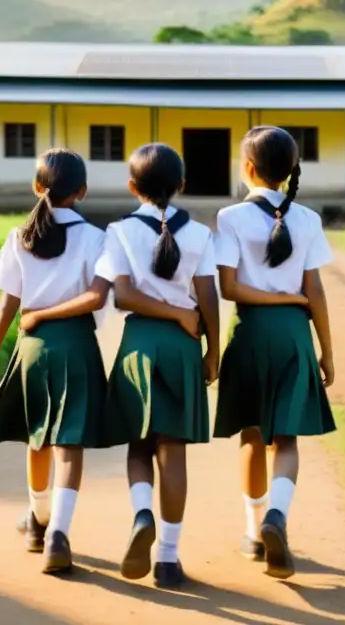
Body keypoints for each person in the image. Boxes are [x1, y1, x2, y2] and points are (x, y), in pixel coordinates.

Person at [0, 148, 110, 576]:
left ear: (37, 187)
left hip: (31, 346)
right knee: (68, 443)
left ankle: (37, 521)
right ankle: (58, 535)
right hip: (76, 346)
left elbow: (7, 304)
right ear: (83, 192)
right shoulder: (95, 238)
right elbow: (101, 298)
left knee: (38, 437)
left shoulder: (20, 235)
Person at [212, 126, 337, 580]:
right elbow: (316, 291)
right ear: (290, 171)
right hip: (293, 337)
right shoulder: (307, 219)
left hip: (249, 333)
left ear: (247, 168)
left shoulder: (229, 218)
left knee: (252, 435)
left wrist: (275, 300)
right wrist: (327, 350)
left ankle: (252, 532)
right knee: (286, 437)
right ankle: (277, 517)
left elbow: (228, 288)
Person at [95, 143, 220, 589]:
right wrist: (213, 350)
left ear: (132, 187)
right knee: (174, 450)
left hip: (139, 343)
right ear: (183, 185)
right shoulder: (201, 235)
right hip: (184, 346)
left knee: (139, 444)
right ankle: (168, 558)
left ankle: (142, 512)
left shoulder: (119, 231)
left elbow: (123, 296)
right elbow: (207, 299)